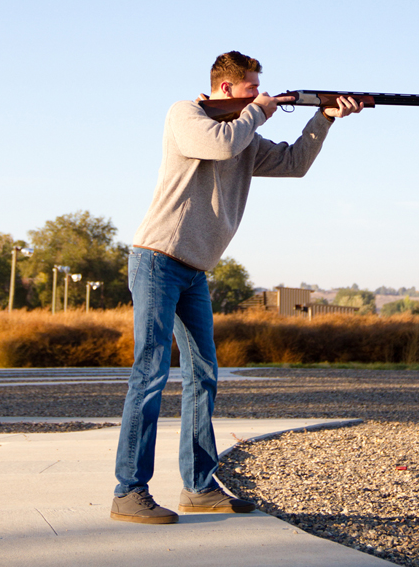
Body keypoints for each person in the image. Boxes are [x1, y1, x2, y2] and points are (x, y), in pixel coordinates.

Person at [111, 51, 362, 524]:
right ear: (226, 89)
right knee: (150, 372)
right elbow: (220, 145)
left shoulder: (243, 132)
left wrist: (325, 117)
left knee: (204, 374)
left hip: (194, 269)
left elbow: (293, 164)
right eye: (251, 88)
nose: (259, 95)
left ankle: (199, 488)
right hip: (157, 259)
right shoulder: (186, 113)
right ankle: (128, 491)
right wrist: (257, 111)